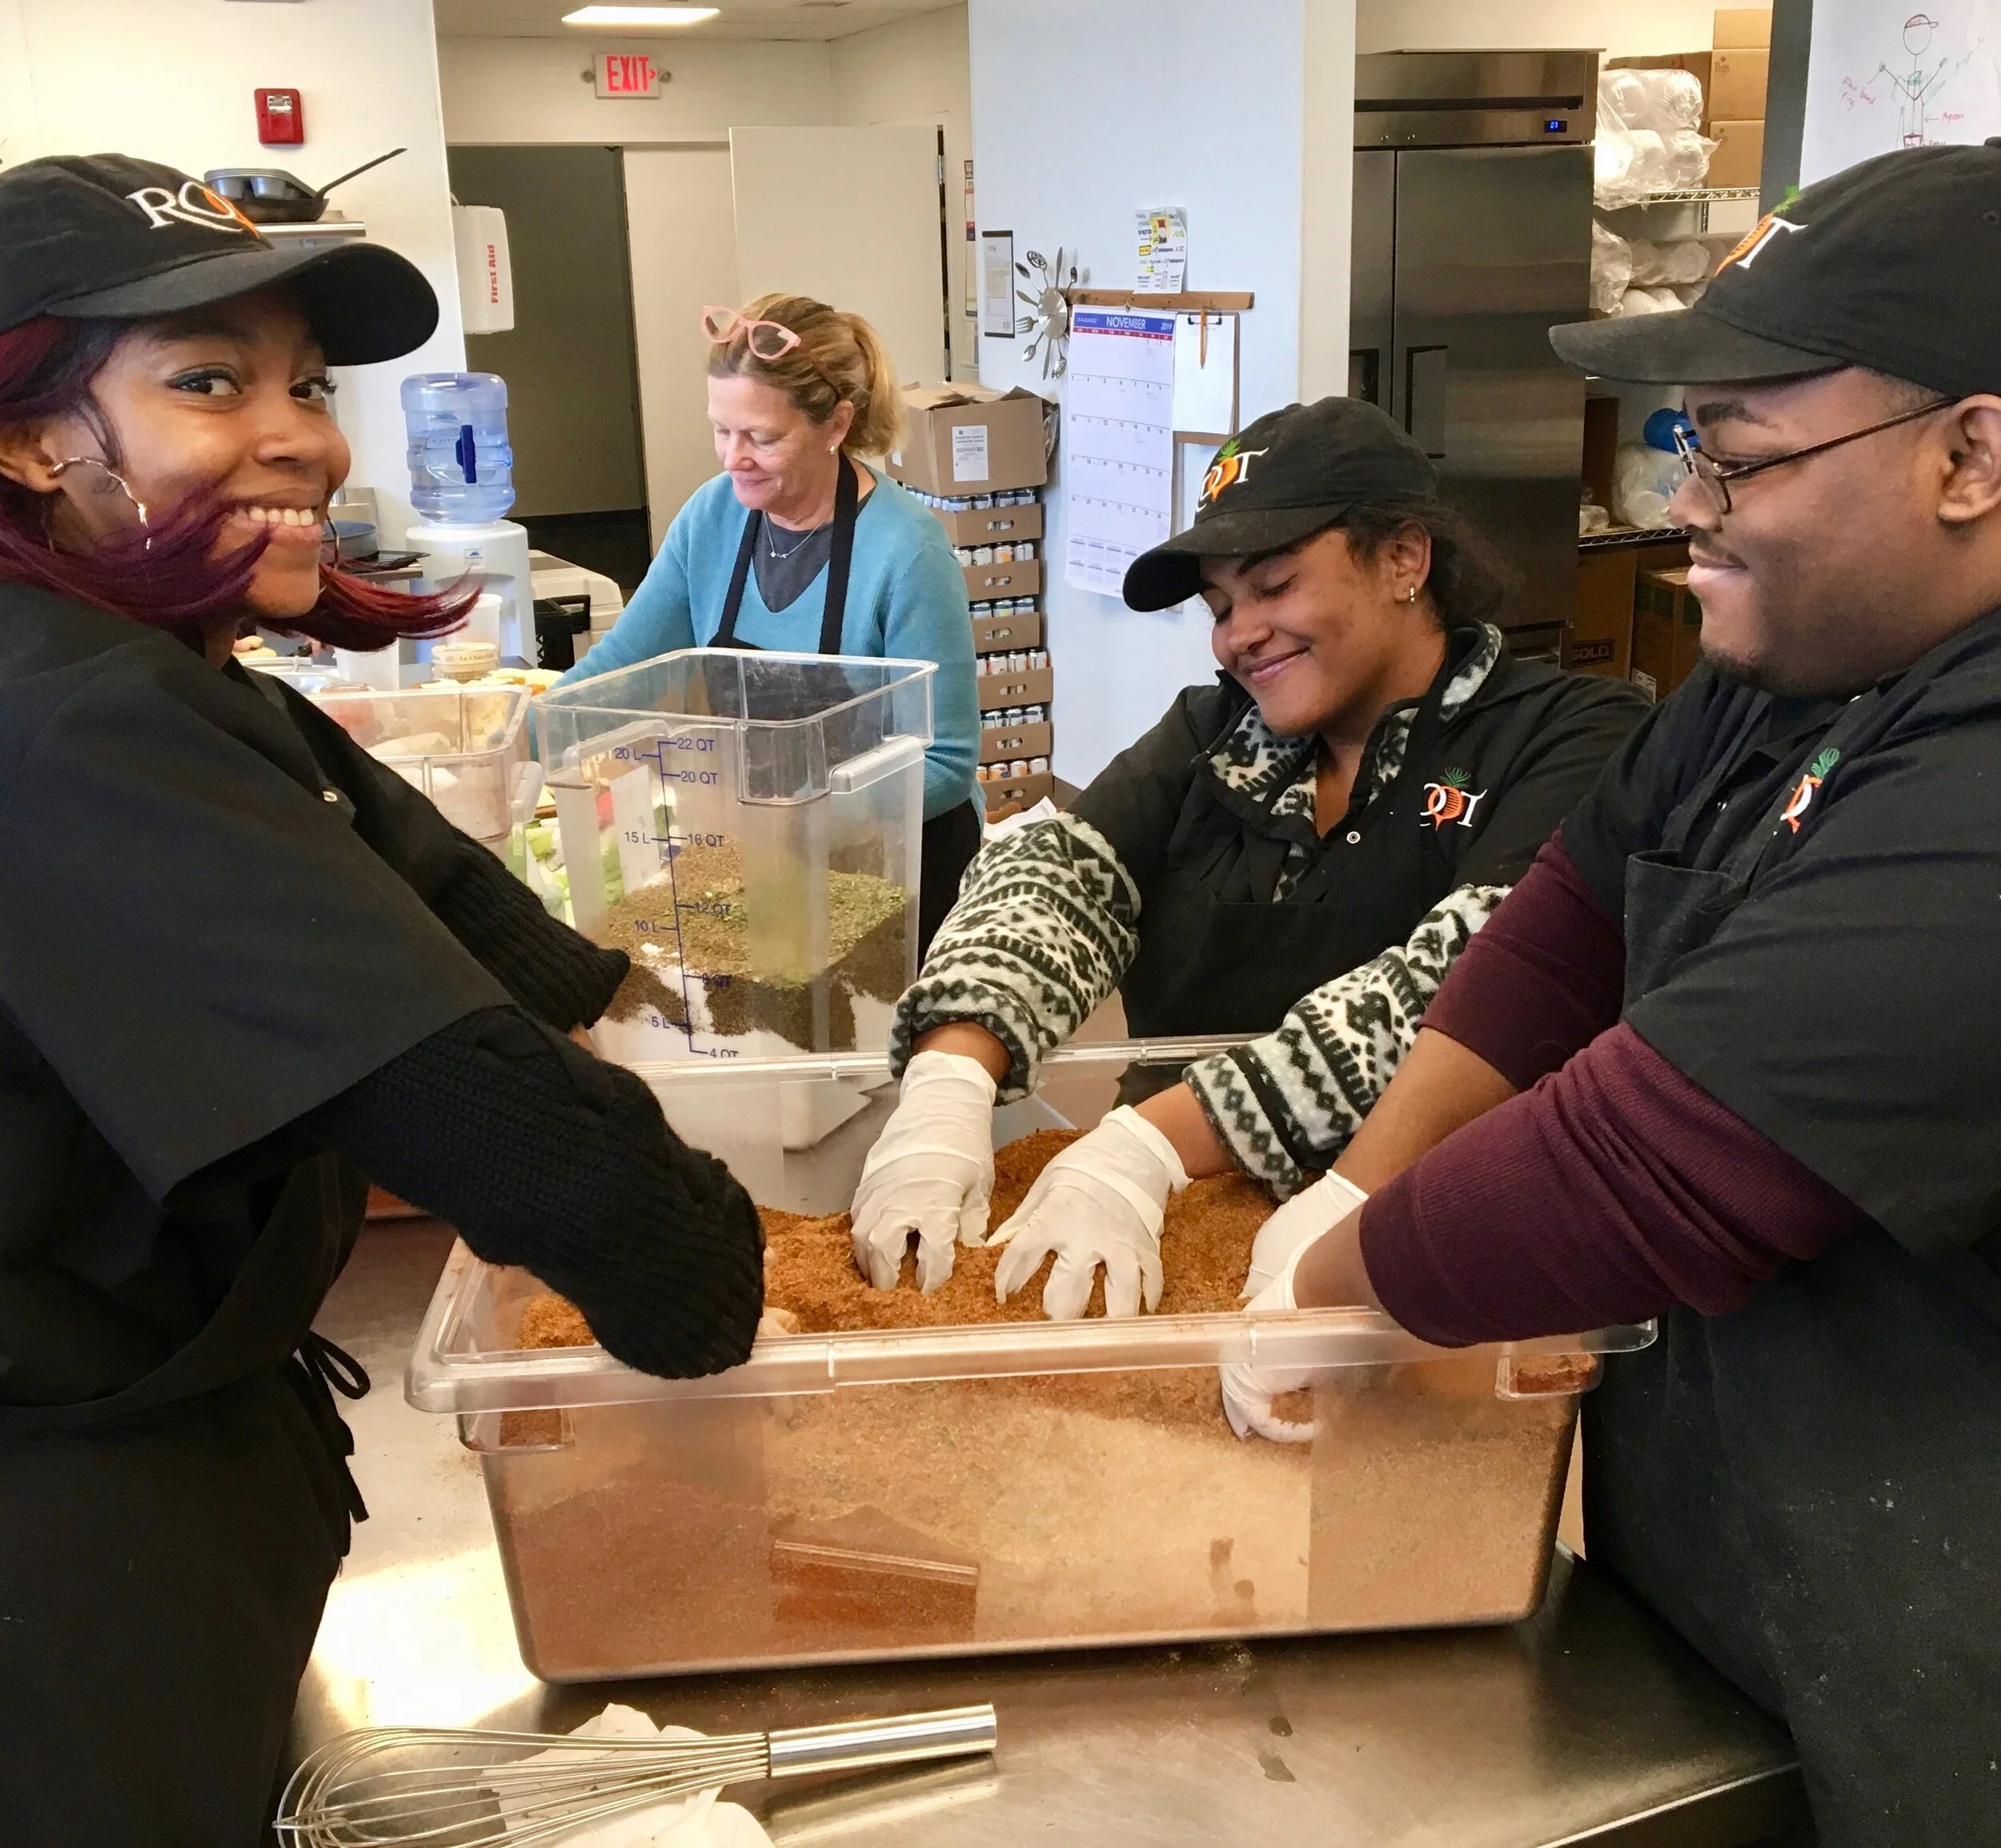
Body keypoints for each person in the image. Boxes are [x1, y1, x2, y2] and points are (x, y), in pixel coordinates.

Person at [1225, 145, 2001, 1847]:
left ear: (1968, 454)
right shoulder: (1791, 665)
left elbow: (1659, 1159)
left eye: (1733, 460)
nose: (1682, 512)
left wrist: (1332, 1283)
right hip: (1737, 1574)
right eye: (1685, 451)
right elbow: (1575, 909)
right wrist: (1361, 1179)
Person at [0, 154, 766, 1848]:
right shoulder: (60, 721)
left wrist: (660, 1039)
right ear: (31, 437)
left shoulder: (168, 679)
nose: (304, 437)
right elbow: (597, 1208)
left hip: (179, 1477)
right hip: (62, 1568)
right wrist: (707, 1248)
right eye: (208, 378)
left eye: (306, 382)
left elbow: (430, 884)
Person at [851, 395, 1645, 1316]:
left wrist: (1144, 1147)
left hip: (1400, 1240)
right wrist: (949, 1081)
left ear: (1403, 559)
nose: (1239, 635)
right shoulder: (1212, 736)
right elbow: (1055, 880)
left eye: (1274, 587)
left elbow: (1465, 988)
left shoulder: (1569, 739)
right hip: (1145, 1226)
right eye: (1221, 606)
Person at [557, 295, 981, 953]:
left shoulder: (907, 553)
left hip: (893, 870)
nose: (733, 458)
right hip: (759, 859)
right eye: (721, 430)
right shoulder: (712, 519)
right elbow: (621, 672)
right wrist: (519, 739)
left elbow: (948, 764)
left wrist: (793, 821)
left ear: (837, 424)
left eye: (762, 436)